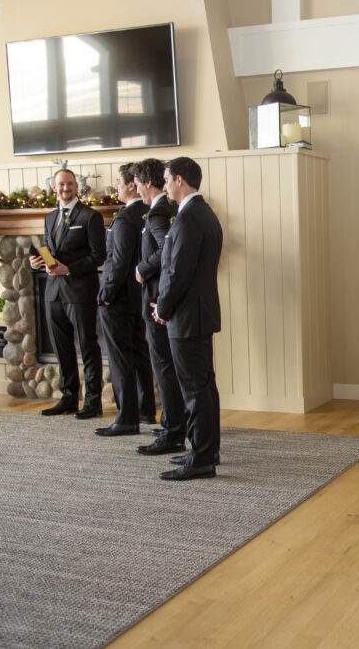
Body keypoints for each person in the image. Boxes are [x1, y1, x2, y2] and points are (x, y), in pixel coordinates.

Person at [152, 157, 223, 480]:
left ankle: (202, 458)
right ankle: (206, 450)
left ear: (180, 179)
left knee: (195, 389)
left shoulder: (189, 219)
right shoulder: (203, 213)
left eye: (166, 179)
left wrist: (162, 309)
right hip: (199, 313)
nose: (164, 185)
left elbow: (177, 274)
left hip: (187, 317)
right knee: (204, 386)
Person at [29, 169, 106, 419]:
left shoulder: (90, 217)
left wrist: (68, 269)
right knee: (62, 347)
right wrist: (38, 261)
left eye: (70, 184)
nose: (65, 188)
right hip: (53, 293)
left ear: (76, 187)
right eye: (61, 184)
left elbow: (98, 255)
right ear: (54, 187)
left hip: (80, 290)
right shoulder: (50, 217)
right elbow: (51, 250)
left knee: (87, 345)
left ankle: (93, 402)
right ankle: (68, 398)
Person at [131, 158, 193, 460]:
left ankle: (172, 431)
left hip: (158, 299)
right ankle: (174, 423)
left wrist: (142, 268)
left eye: (137, 183)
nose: (135, 189)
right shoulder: (169, 209)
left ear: (147, 183)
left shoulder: (157, 213)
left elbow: (164, 248)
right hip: (165, 299)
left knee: (164, 367)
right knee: (169, 366)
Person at [94, 164, 156, 436]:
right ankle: (145, 411)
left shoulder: (125, 218)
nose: (115, 186)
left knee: (120, 358)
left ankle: (126, 418)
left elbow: (118, 262)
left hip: (118, 297)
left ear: (133, 184)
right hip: (137, 296)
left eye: (119, 181)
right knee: (139, 354)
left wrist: (105, 294)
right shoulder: (147, 214)